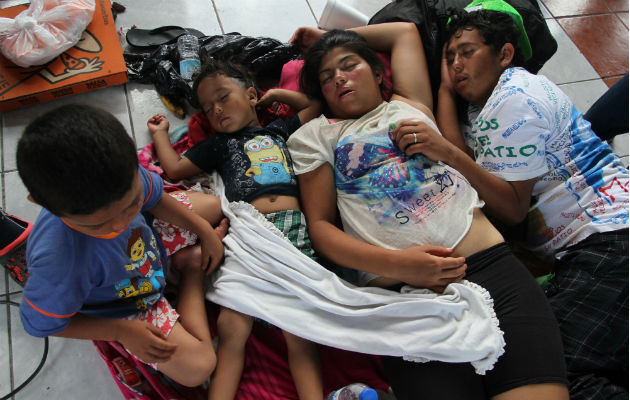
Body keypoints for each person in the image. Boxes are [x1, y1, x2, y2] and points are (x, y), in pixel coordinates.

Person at [287, 21, 569, 399]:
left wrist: (324, 40)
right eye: (325, 77)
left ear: (377, 73)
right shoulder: (314, 136)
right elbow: (321, 227)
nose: (338, 78)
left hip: (490, 268)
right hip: (405, 296)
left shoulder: (409, 104)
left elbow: (404, 32)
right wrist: (401, 265)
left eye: (349, 65)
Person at [408, 4, 627, 399]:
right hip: (601, 240)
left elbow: (508, 207)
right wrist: (444, 89)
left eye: (467, 52)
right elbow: (466, 158)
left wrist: (449, 154)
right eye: (450, 56)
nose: (457, 64)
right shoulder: (487, 103)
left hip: (609, 241)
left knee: (549, 374)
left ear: (505, 54)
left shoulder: (515, 98)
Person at [147, 59, 323, 400]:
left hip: (292, 234)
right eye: (209, 108)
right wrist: (160, 135)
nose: (217, 110)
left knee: (299, 332)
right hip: (248, 234)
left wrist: (278, 96)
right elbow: (174, 169)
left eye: (224, 97)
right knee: (232, 329)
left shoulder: (278, 130)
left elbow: (315, 107)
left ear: (251, 95)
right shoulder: (218, 145)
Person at [17, 104, 226, 388]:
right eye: (95, 225)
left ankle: (181, 251)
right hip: (125, 301)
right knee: (198, 367)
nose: (119, 225)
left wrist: (203, 230)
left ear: (130, 152)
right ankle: (190, 268)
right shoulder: (60, 262)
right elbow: (39, 323)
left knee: (212, 208)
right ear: (41, 203)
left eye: (130, 205)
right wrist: (121, 331)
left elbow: (154, 198)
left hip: (146, 248)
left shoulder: (118, 171)